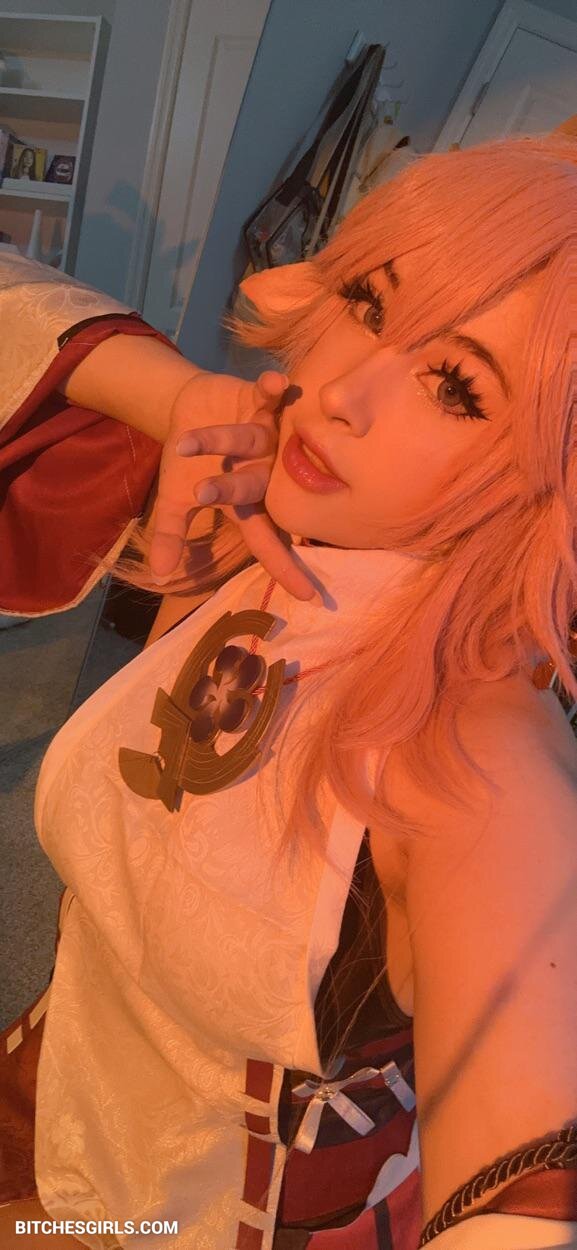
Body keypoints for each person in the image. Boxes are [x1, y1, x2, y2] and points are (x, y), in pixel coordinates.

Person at [2, 128, 577, 1250]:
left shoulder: (476, 737)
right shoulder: (262, 518)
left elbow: (523, 1188)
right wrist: (183, 398)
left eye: (454, 385)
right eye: (367, 301)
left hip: (178, 1210)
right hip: (48, 1076)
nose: (343, 394)